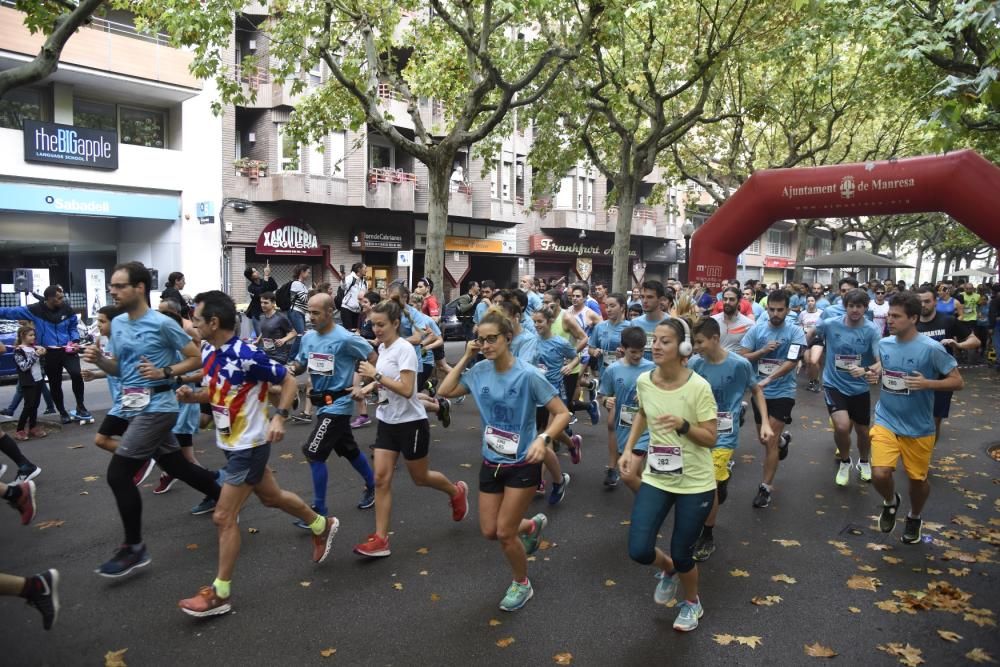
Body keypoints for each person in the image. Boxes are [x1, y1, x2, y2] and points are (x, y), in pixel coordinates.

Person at [175, 291, 338, 617]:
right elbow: (218, 390)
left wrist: (279, 415)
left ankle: (220, 593)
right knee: (272, 497)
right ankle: (321, 524)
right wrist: (192, 397)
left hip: (249, 447)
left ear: (214, 322)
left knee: (223, 517)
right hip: (232, 445)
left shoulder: (246, 354)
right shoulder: (209, 350)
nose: (193, 326)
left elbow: (289, 380)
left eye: (196, 320)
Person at [82, 262, 222, 577]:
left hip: (158, 406)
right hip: (134, 406)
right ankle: (223, 495)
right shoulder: (117, 324)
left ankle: (134, 547)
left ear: (140, 287)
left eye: (119, 286)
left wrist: (166, 372)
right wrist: (100, 361)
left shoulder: (161, 323)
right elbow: (120, 368)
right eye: (112, 286)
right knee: (176, 466)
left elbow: (196, 356)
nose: (112, 291)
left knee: (119, 474)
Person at [437, 309, 570, 612]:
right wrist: (467, 357)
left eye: (491, 339)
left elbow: (562, 413)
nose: (485, 345)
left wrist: (543, 439)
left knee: (504, 533)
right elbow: (445, 391)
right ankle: (531, 527)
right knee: (488, 530)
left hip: (522, 463)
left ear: (508, 338)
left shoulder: (528, 374)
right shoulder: (479, 370)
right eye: (480, 340)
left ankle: (521, 582)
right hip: (491, 461)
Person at [620, 318, 718, 632]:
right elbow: (644, 413)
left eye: (665, 341)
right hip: (658, 476)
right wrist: (628, 448)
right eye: (655, 340)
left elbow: (711, 438)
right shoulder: (645, 381)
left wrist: (684, 425)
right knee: (639, 549)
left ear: (683, 348)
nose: (657, 346)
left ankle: (692, 603)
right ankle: (669, 570)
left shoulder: (698, 387)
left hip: (695, 483)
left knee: (683, 551)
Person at [351, 300, 469, 558]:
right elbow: (385, 380)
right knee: (381, 479)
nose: (376, 329)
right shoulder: (383, 347)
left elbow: (406, 390)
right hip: (387, 421)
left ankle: (455, 491)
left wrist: (376, 376)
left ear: (395, 323)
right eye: (373, 324)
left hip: (411, 424)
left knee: (420, 477)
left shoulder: (404, 349)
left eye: (381, 324)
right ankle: (381, 539)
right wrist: (367, 387)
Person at [870, 291, 964, 544]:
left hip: (919, 427)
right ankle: (890, 502)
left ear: (913, 318)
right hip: (886, 418)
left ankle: (914, 516)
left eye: (896, 316)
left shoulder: (931, 349)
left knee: (917, 480)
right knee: (879, 473)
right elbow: (888, 371)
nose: (890, 320)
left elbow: (957, 382)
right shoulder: (885, 343)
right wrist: (874, 374)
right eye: (889, 315)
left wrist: (927, 383)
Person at [291, 292, 378, 518]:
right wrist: (292, 368)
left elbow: (373, 357)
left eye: (316, 313)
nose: (310, 317)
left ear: (330, 312)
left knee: (313, 452)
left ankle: (319, 511)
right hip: (322, 404)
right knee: (348, 449)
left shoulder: (345, 338)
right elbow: (301, 364)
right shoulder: (308, 337)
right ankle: (373, 484)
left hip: (338, 404)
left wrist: (364, 384)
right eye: (309, 312)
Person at [689, 317, 770, 561]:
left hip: (725, 434)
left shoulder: (740, 364)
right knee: (709, 484)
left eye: (700, 342)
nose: (696, 346)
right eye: (694, 342)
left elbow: (756, 390)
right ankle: (723, 481)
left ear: (715, 338)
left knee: (709, 484)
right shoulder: (695, 364)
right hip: (700, 431)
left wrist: (765, 422)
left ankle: (707, 535)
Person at [738, 289, 806, 509]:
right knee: (764, 438)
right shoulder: (757, 330)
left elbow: (793, 361)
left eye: (780, 310)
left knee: (770, 440)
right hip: (760, 392)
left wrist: (770, 378)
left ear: (788, 309)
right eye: (772, 309)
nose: (775, 313)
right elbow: (743, 356)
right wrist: (762, 351)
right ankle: (783, 442)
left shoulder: (796, 332)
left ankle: (765, 488)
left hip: (783, 392)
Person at [807, 289, 881, 487]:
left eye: (859, 306)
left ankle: (864, 461)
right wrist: (804, 352)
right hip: (833, 384)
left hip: (859, 388)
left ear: (866, 308)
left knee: (863, 431)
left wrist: (866, 370)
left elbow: (880, 361)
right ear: (845, 306)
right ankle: (845, 462)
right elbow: (814, 334)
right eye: (851, 306)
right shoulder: (830, 324)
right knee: (841, 426)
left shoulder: (872, 330)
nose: (855, 310)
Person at [0, 285, 91, 424]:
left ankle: (81, 406)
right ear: (49, 298)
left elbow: (73, 327)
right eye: (59, 298)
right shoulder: (35, 310)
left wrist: (75, 341)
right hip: (49, 353)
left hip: (68, 350)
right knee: (55, 384)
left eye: (63, 297)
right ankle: (62, 412)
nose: (62, 300)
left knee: (76, 374)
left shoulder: (67, 310)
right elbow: (11, 311)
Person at [913, 287, 979, 441]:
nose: (923, 305)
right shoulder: (911, 322)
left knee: (934, 421)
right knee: (913, 418)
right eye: (919, 301)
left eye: (927, 301)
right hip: (916, 378)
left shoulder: (947, 320)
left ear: (935, 302)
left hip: (942, 379)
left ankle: (926, 455)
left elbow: (975, 340)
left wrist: (959, 345)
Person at [597, 326, 654, 491]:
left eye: (641, 351)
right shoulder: (612, 370)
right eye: (633, 352)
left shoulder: (652, 368)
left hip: (645, 428)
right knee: (637, 472)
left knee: (628, 472)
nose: (638, 356)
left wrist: (648, 395)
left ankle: (646, 506)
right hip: (623, 427)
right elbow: (603, 395)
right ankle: (650, 501)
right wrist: (606, 401)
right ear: (623, 348)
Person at [12, 326, 47, 441]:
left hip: (38, 379)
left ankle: (32, 427)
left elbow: (38, 363)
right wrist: (36, 354)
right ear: (23, 336)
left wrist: (42, 353)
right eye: (30, 335)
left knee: (35, 405)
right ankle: (19, 430)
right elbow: (24, 367)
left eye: (34, 335)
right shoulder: (18, 350)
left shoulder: (33, 348)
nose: (33, 337)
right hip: (28, 382)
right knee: (28, 406)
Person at [632, 281, 671, 360]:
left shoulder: (671, 323)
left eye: (650, 297)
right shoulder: (634, 323)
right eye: (642, 297)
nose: (645, 301)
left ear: (660, 299)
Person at [254, 292, 296, 365]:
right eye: (261, 302)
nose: (262, 305)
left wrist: (283, 340)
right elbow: (264, 331)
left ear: (273, 303)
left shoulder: (280, 318)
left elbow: (294, 332)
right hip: (267, 353)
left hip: (279, 356)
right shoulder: (263, 317)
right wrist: (257, 341)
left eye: (266, 303)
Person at [710, 287, 755, 353]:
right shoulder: (713, 321)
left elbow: (750, 350)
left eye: (732, 299)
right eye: (725, 299)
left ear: (739, 301)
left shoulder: (749, 324)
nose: (727, 302)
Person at [799, 295, 825, 393]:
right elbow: (800, 326)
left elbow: (824, 326)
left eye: (812, 300)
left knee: (814, 361)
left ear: (815, 302)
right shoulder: (802, 314)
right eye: (808, 301)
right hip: (806, 339)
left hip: (817, 339)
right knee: (808, 363)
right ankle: (812, 381)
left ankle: (817, 380)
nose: (810, 302)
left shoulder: (821, 313)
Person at [244, 265, 278, 337]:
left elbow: (274, 286)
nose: (257, 272)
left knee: (270, 337)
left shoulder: (265, 280)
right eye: (254, 272)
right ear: (250, 276)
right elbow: (262, 294)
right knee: (261, 338)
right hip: (257, 315)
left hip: (269, 314)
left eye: (256, 270)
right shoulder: (251, 288)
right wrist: (265, 276)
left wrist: (268, 276)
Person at [287, 264, 311, 360]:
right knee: (300, 335)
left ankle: (298, 357)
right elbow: (305, 299)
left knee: (302, 335)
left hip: (300, 312)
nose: (309, 274)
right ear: (302, 272)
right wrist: (311, 291)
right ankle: (291, 359)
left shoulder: (302, 285)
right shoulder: (296, 284)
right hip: (295, 312)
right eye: (308, 272)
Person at [340, 263, 367, 330]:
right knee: (348, 331)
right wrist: (343, 280)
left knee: (356, 331)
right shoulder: (350, 278)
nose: (366, 270)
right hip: (347, 309)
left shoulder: (364, 282)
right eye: (365, 268)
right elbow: (344, 287)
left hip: (358, 311)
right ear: (359, 269)